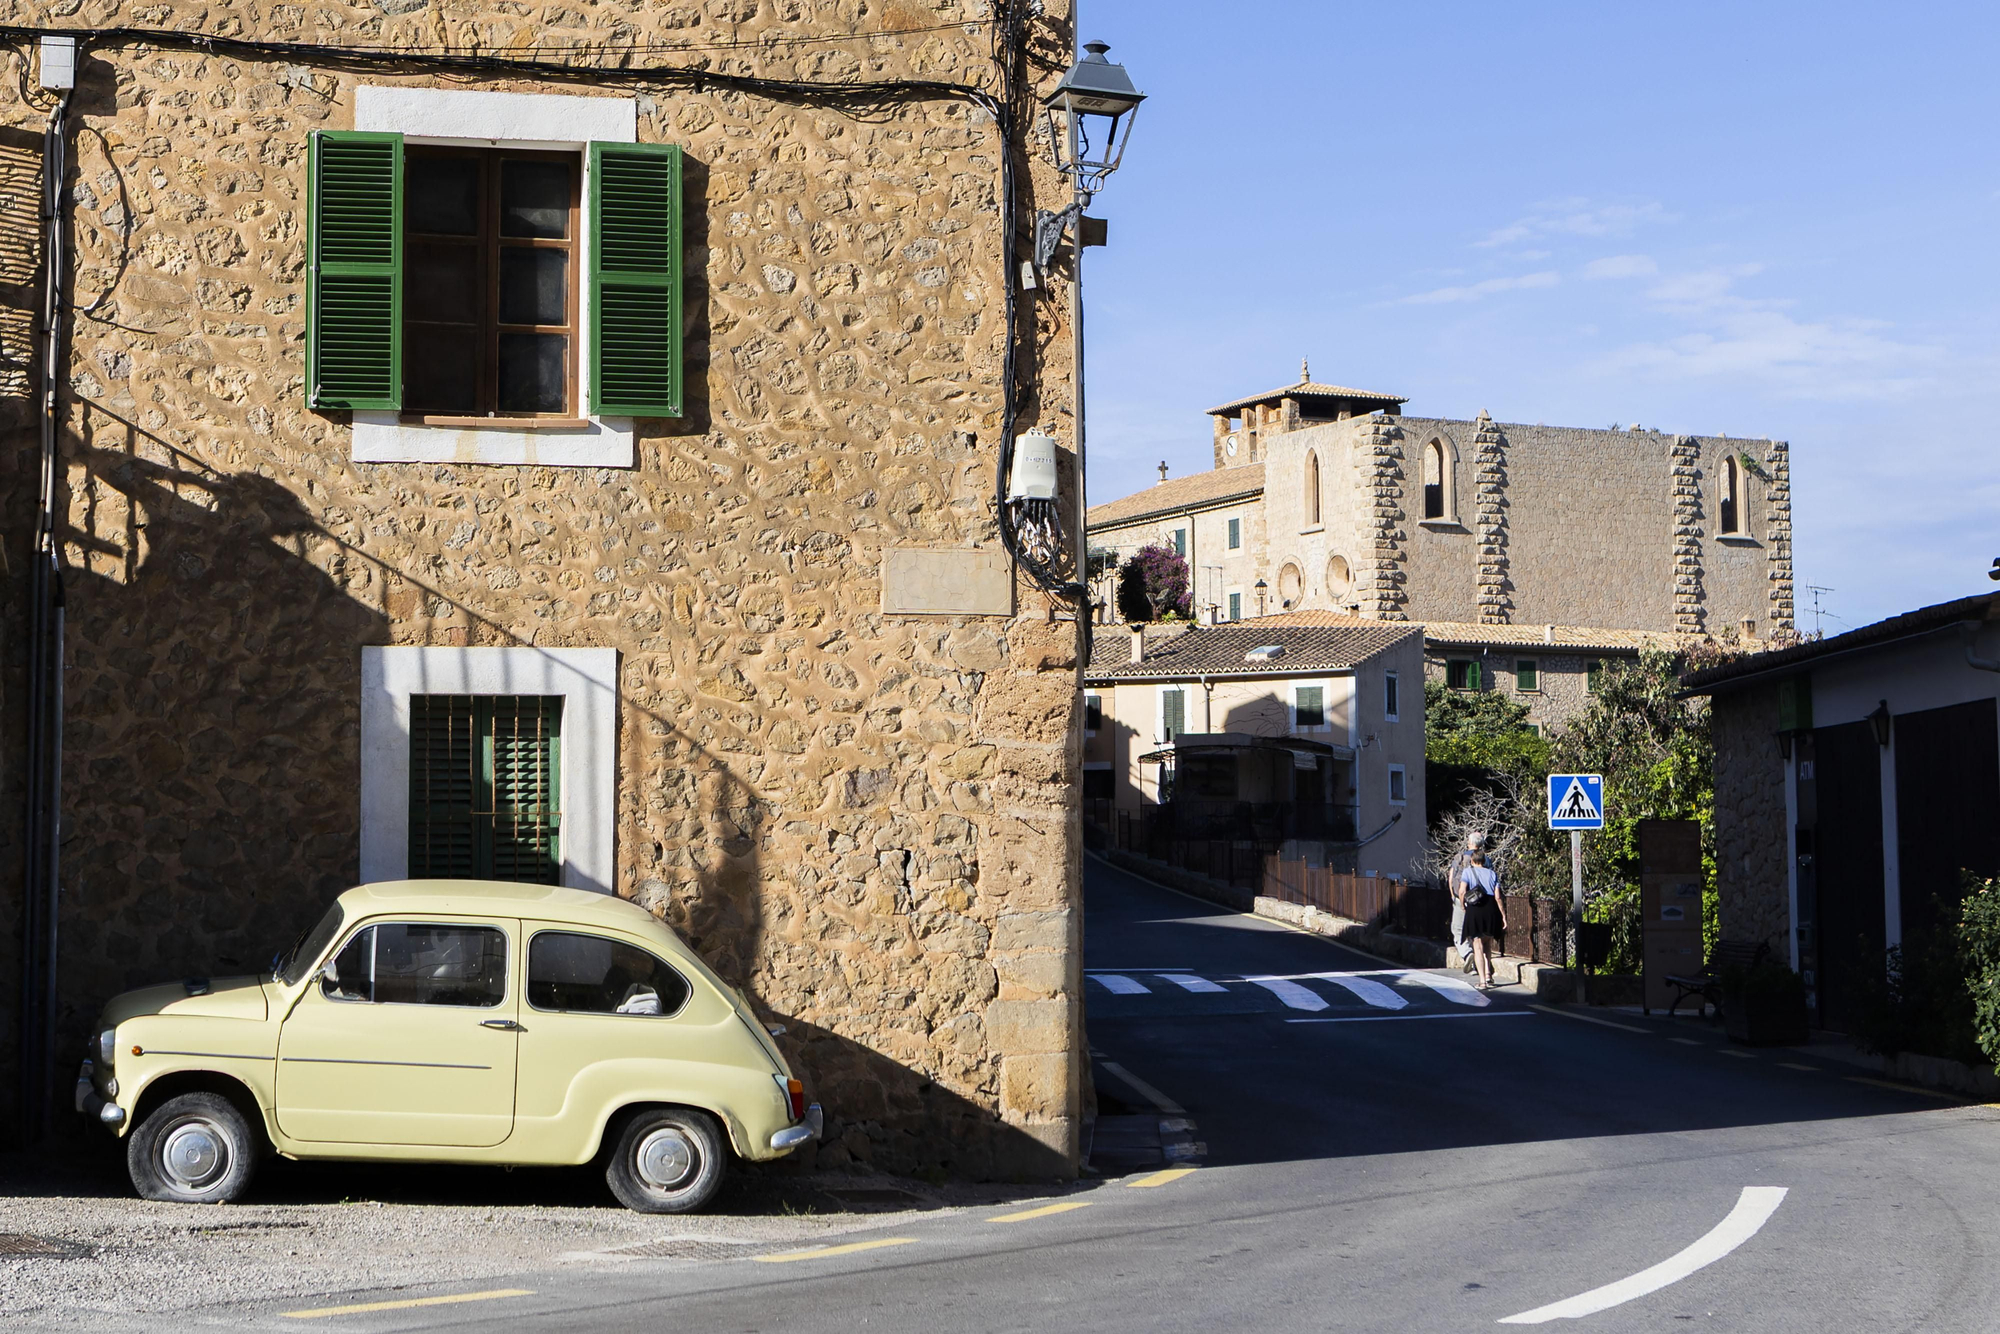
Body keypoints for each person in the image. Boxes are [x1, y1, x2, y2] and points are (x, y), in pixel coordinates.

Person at [1456, 850, 1508, 990]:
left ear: (1472, 861)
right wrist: (1503, 915)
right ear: (1484, 861)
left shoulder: (1467, 872)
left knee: (1477, 945)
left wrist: (1463, 905)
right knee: (1487, 943)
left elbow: (1462, 891)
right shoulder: (1492, 873)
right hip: (1490, 908)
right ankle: (1488, 974)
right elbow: (1498, 897)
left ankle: (1482, 981)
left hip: (1475, 908)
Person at [1445, 832, 1485, 973]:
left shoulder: (1460, 858)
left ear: (1469, 842)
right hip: (1480, 900)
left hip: (1461, 898)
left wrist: (1453, 897)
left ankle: (1468, 954)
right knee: (1475, 933)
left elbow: (1451, 879)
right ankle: (1480, 968)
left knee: (1457, 930)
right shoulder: (1485, 859)